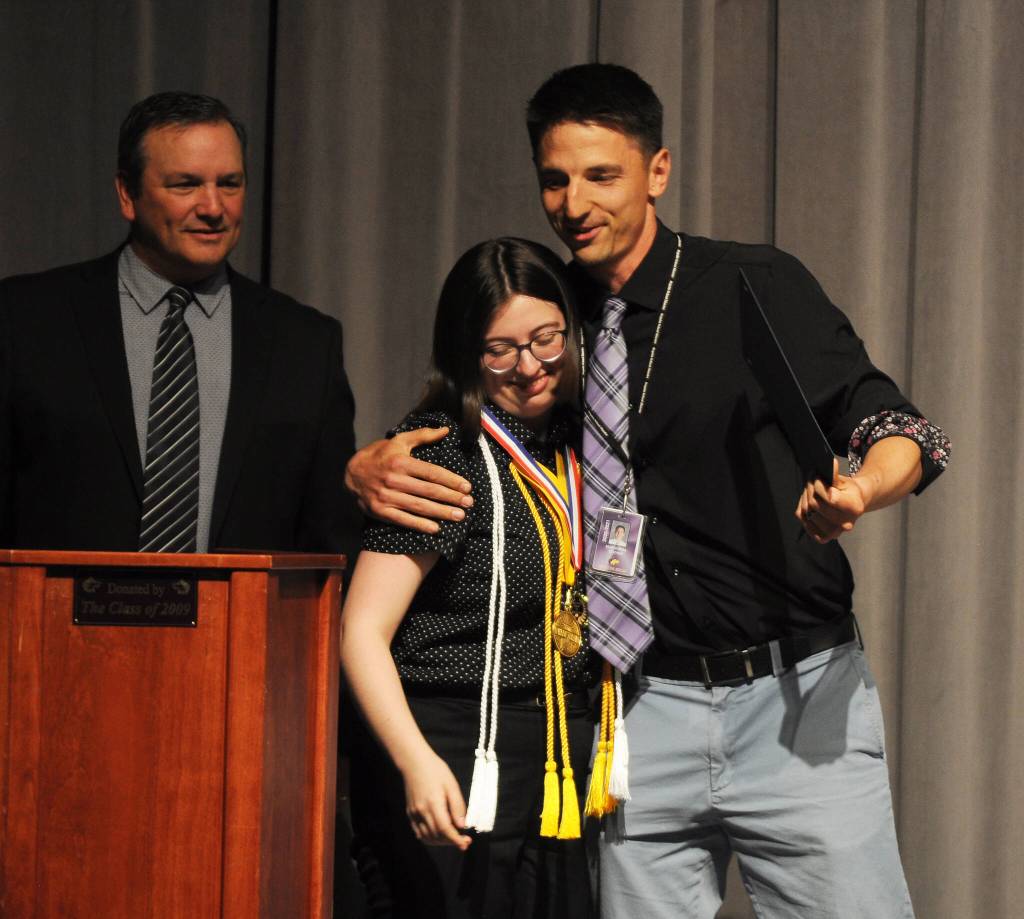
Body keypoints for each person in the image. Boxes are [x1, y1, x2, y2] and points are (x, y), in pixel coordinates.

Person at [345, 64, 951, 918]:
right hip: (633, 715)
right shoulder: (551, 314)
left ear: (657, 171)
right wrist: (361, 465)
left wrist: (862, 490)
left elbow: (897, 424)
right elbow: (466, 420)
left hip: (792, 700)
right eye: (555, 179)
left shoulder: (751, 284)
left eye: (602, 174)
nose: (575, 201)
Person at [340, 238, 596, 919]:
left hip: (557, 753)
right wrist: (414, 762)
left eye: (546, 338)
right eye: (500, 349)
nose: (530, 366)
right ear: (465, 352)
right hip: (453, 744)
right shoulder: (438, 448)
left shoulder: (584, 441)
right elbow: (362, 631)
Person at [0, 91, 359, 556]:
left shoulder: (306, 344)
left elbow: (330, 541)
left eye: (229, 183)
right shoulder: (25, 321)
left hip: (243, 628)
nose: (213, 207)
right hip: (56, 626)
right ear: (128, 194)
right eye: (185, 185)